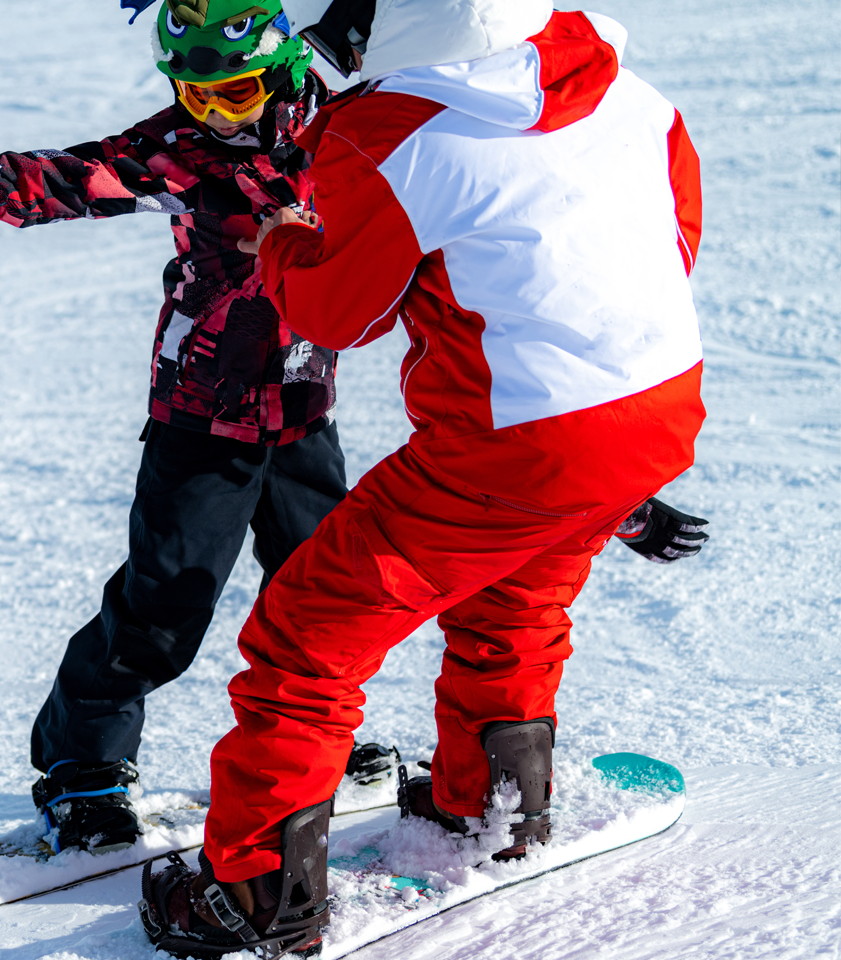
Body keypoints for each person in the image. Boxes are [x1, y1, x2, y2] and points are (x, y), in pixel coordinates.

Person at [138, 1, 708, 957]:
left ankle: (256, 895)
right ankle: (495, 809)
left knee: (305, 640)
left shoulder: (392, 134)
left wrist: (282, 240)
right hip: (655, 408)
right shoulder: (625, 87)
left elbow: (339, 311)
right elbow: (675, 239)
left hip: (512, 444)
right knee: (515, 604)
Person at [0, 0, 394, 855]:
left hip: (304, 415)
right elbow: (39, 182)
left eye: (237, 92)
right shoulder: (174, 155)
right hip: (201, 424)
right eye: (196, 95)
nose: (217, 114)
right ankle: (85, 768)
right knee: (162, 612)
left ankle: (316, 736)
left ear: (288, 67)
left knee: (329, 596)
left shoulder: (346, 133)